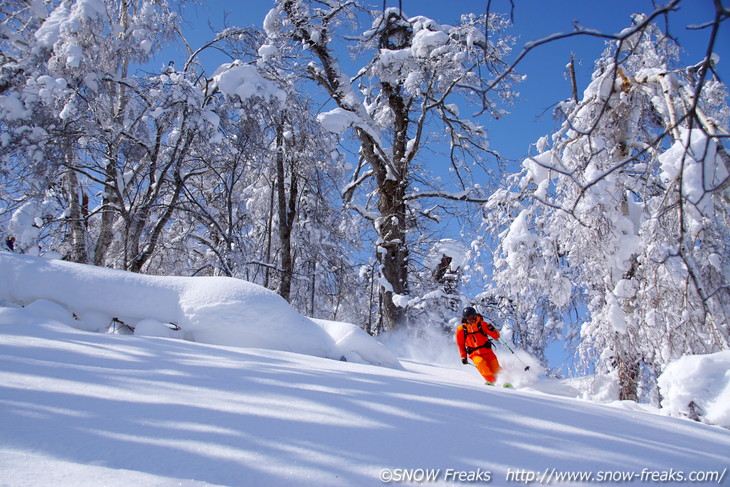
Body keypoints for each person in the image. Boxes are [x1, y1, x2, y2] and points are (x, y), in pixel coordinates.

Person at [456, 306, 501, 384]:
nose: (470, 320)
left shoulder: (482, 325)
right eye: (468, 318)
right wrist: (463, 356)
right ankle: (492, 382)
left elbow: (496, 336)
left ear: (475, 316)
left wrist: (492, 329)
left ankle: (504, 382)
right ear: (465, 318)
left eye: (471, 317)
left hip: (488, 352)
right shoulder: (461, 330)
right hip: (474, 354)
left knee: (496, 369)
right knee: (480, 363)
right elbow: (461, 345)